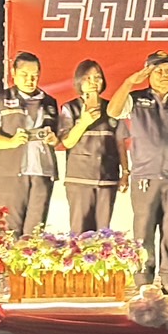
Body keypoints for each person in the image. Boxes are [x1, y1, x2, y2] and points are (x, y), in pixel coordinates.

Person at [109, 51, 168, 292]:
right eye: (158, 71)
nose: (164, 75)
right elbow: (112, 111)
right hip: (145, 177)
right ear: (148, 74)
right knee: (143, 231)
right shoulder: (135, 99)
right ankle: (144, 280)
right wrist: (130, 82)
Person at [0, 51, 61, 236]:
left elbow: (58, 137)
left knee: (35, 233)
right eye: (24, 74)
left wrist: (53, 139)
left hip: (42, 172)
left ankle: (29, 256)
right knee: (9, 231)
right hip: (10, 172)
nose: (30, 80)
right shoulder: (0, 98)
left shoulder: (49, 102)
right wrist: (11, 142)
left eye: (34, 75)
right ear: (13, 73)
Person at [58, 59, 124, 232]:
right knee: (79, 233)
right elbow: (67, 142)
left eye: (98, 77)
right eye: (87, 78)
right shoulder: (70, 108)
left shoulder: (112, 108)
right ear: (79, 81)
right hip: (80, 178)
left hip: (107, 178)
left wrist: (125, 171)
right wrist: (84, 122)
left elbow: (120, 142)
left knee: (103, 234)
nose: (94, 82)